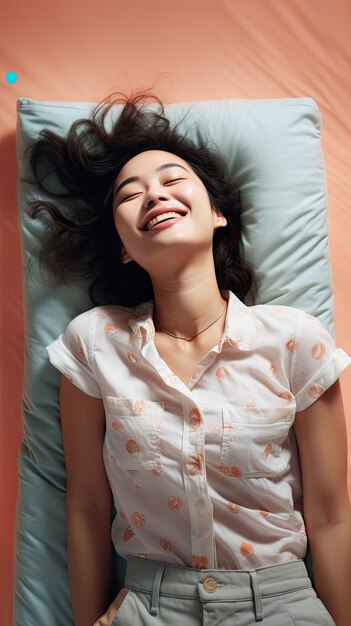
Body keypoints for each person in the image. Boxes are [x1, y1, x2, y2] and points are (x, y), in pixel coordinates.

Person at [25, 90, 351, 626]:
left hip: (281, 605)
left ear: (217, 213)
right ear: (125, 247)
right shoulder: (93, 342)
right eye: (131, 194)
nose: (154, 195)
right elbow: (85, 507)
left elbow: (332, 517)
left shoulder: (294, 339)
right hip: (147, 606)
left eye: (173, 180)